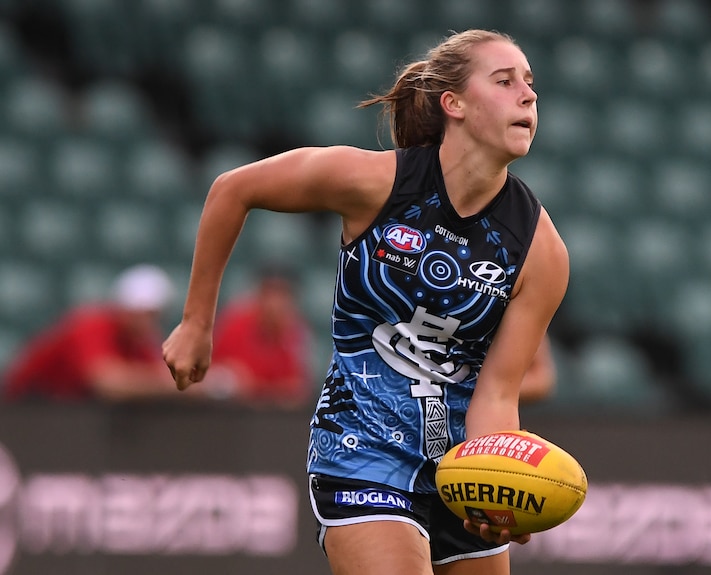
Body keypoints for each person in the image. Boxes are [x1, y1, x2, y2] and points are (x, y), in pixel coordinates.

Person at [162, 29, 569, 575]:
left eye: (531, 84)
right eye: (504, 81)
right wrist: (196, 321)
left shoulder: (540, 250)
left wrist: (492, 483)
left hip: (456, 467)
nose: (528, 94)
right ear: (454, 105)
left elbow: (496, 392)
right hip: (362, 451)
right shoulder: (376, 181)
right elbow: (233, 189)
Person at [3, 264, 181, 402]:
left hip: (61, 415)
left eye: (155, 316)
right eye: (143, 314)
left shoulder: (140, 344)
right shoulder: (91, 324)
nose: (148, 322)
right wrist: (174, 387)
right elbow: (107, 383)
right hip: (21, 409)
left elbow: (156, 374)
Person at [206, 264, 315, 408]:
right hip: (228, 412)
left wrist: (256, 386)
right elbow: (210, 373)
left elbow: (299, 390)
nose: (275, 302)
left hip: (272, 417)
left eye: (283, 294)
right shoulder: (235, 321)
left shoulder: (296, 332)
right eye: (270, 292)